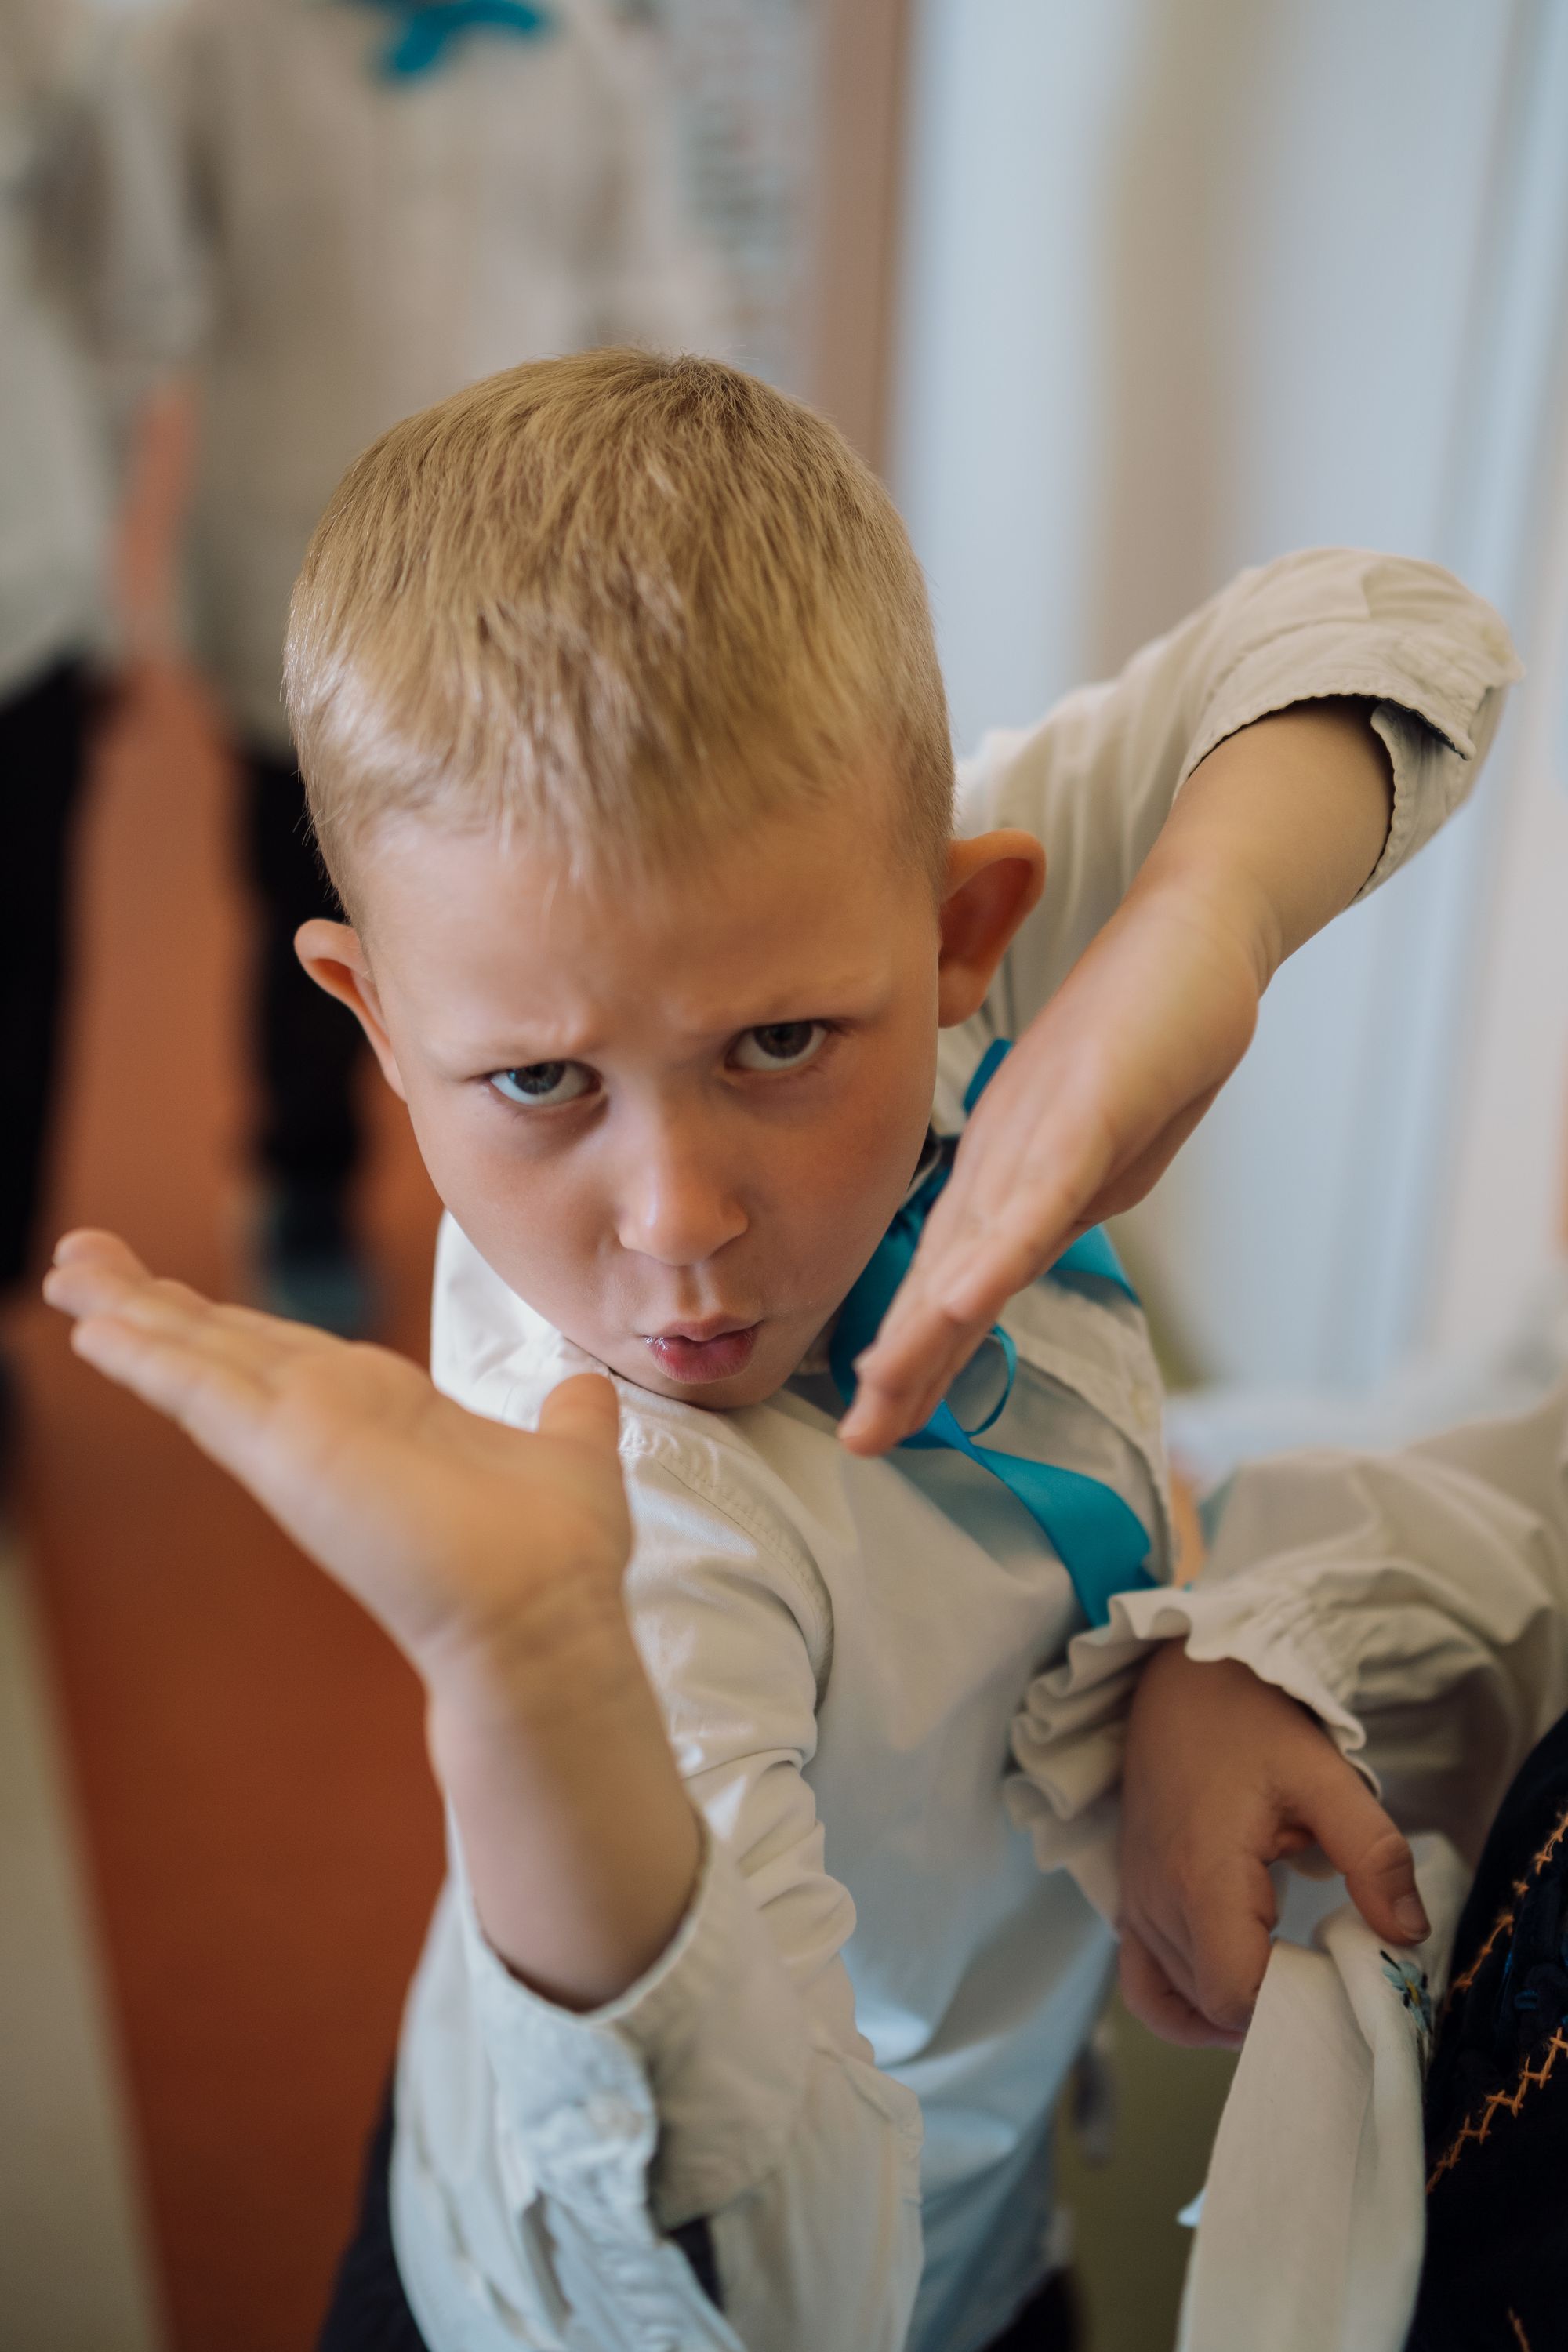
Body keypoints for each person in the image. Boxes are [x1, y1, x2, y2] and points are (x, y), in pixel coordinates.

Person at [42, 350, 1519, 2352]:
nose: (678, 1221)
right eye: (541, 1081)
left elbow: (1398, 624)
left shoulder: (871, 914)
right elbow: (775, 2297)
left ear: (964, 932)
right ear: (373, 1022)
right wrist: (542, 1677)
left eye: (778, 1049)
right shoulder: (650, 1542)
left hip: (996, 2158)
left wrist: (1207, 918)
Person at [134, 0, 727, 1333]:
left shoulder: (580, 54)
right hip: (293, 566)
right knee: (308, 905)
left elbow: (655, 296)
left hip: (531, 576)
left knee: (533, 905)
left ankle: (547, 1191)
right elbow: (141, 284)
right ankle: (306, 1182)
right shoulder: (217, 47)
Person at [0, 0, 197, 1484]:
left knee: (10, 974)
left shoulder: (53, 41)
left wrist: (114, 583)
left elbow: (135, 290)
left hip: (18, 589)